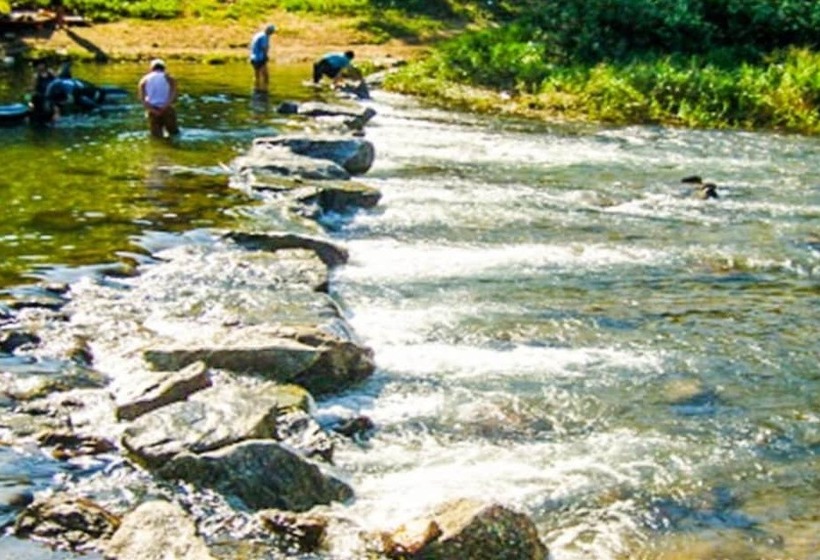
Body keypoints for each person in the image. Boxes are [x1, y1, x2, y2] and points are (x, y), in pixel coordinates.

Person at [137, 59, 179, 138]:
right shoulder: (169, 77)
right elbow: (174, 94)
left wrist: (153, 110)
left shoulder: (144, 80)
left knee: (156, 137)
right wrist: (165, 106)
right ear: (164, 68)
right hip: (167, 109)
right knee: (174, 135)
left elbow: (142, 99)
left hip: (152, 110)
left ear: (151, 69)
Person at [249, 24, 276, 92]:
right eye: (272, 31)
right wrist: (266, 56)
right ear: (269, 31)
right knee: (266, 76)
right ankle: (265, 90)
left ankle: (256, 89)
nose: (273, 32)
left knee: (256, 76)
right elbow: (264, 47)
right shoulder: (264, 36)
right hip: (260, 58)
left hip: (253, 57)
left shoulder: (258, 34)